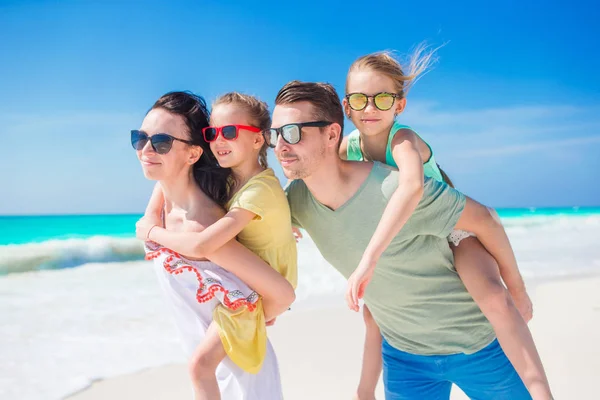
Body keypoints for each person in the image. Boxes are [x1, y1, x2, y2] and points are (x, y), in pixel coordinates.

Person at [265, 80, 553, 399]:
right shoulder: (297, 203)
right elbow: (253, 229)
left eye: (293, 132)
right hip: (405, 360)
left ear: (332, 134)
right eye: (275, 135)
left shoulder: (394, 189)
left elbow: (485, 218)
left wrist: (517, 289)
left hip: (480, 346)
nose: (281, 146)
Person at [339, 46, 533, 399]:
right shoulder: (348, 146)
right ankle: (364, 392)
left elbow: (411, 186)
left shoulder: (403, 139)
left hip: (453, 231)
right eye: (360, 99)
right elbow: (316, 175)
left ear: (399, 105)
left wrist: (369, 259)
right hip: (411, 241)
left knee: (491, 295)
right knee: (374, 315)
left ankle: (520, 294)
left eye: (382, 99)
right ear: (346, 105)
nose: (369, 108)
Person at [133, 91, 294, 400]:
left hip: (240, 378)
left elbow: (282, 293)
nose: (146, 150)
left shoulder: (203, 227)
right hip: (218, 369)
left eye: (162, 142)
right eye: (140, 139)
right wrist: (151, 220)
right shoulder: (167, 208)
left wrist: (262, 312)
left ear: (193, 154)